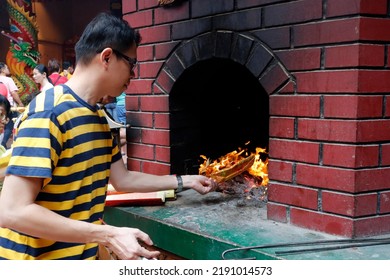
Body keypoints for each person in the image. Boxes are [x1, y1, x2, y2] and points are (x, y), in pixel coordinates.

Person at [0, 12, 217, 260]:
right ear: (107, 57)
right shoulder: (49, 112)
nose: (133, 75)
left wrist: (185, 181)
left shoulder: (98, 117)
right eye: (131, 64)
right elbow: (12, 211)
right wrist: (109, 235)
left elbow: (123, 179)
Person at [0, 63, 24, 149]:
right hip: (8, 106)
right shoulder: (8, 79)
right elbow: (13, 93)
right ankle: (2, 144)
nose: (8, 69)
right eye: (7, 67)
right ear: (2, 69)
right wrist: (20, 103)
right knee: (10, 126)